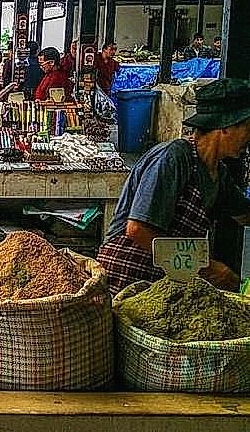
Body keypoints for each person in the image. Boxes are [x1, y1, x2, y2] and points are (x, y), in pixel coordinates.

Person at [97, 79, 250, 296]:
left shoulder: (218, 174)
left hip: (165, 285)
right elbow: (137, 230)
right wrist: (206, 267)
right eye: (247, 127)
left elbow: (244, 214)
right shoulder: (175, 157)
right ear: (225, 126)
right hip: (128, 277)